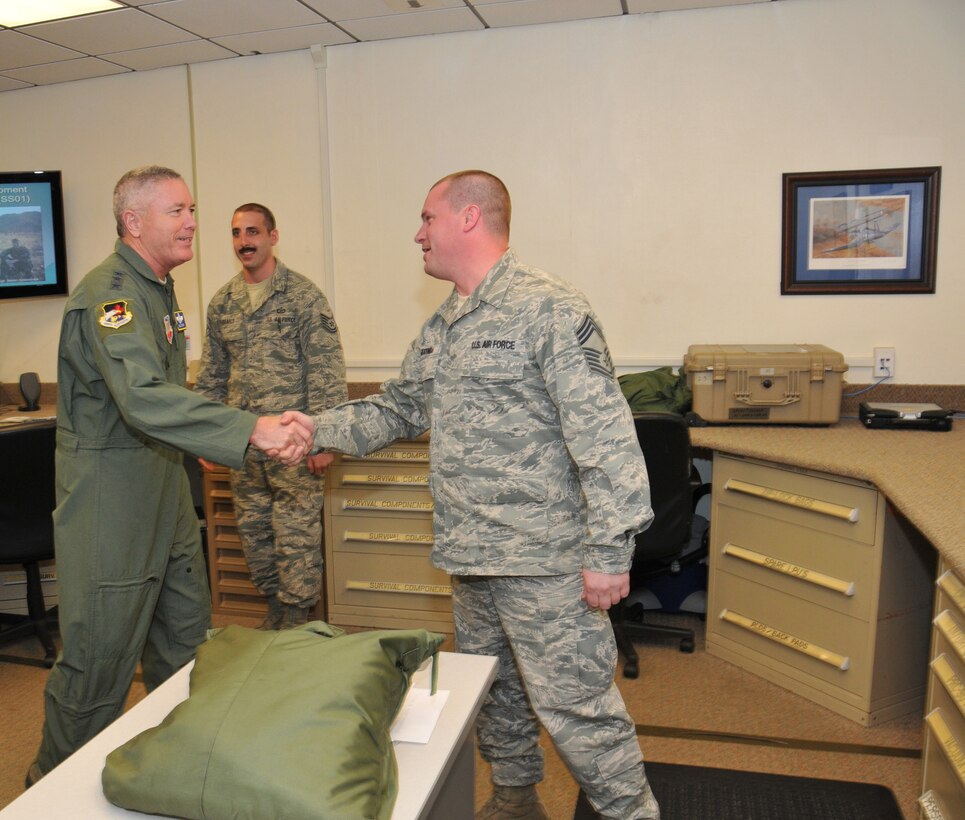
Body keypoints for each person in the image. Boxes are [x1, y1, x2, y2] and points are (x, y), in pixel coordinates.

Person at [283, 170, 660, 819]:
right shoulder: (446, 324)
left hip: (542, 559)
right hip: (470, 554)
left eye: (427, 218)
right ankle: (515, 800)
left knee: (576, 707)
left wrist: (609, 548)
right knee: (493, 694)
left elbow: (605, 432)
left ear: (466, 218)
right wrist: (313, 428)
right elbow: (399, 409)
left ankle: (632, 814)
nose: (417, 233)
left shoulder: (548, 306)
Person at [29, 166, 311, 784]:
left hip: (164, 497)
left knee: (188, 650)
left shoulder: (159, 290)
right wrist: (246, 429)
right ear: (133, 222)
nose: (191, 222)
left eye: (191, 209)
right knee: (98, 668)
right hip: (113, 506)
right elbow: (144, 397)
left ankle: (177, 773)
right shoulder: (111, 296)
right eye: (175, 211)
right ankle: (48, 793)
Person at [193, 203, 348, 629]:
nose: (244, 241)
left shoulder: (302, 296)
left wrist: (325, 439)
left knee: (296, 544)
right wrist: (208, 436)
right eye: (237, 233)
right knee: (257, 542)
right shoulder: (224, 302)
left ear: (272, 237)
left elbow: (326, 369)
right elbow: (212, 374)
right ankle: (277, 618)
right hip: (244, 446)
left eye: (253, 232)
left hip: (294, 448)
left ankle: (295, 628)